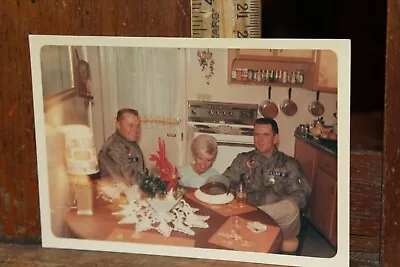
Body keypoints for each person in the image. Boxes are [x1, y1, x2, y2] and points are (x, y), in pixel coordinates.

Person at [207, 117, 311, 253]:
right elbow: (227, 180)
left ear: (275, 138)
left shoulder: (289, 164)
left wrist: (265, 211)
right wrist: (215, 185)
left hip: (276, 219)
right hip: (245, 211)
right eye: (256, 134)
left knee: (290, 208)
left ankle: (249, 220)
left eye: (265, 135)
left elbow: (302, 196)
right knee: (213, 183)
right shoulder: (243, 159)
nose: (259, 139)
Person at [98, 108, 146, 186]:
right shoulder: (113, 147)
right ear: (118, 125)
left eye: (138, 126)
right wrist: (151, 183)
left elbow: (141, 171)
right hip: (116, 195)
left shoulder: (131, 143)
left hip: (131, 191)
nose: (135, 130)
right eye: (131, 125)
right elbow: (129, 179)